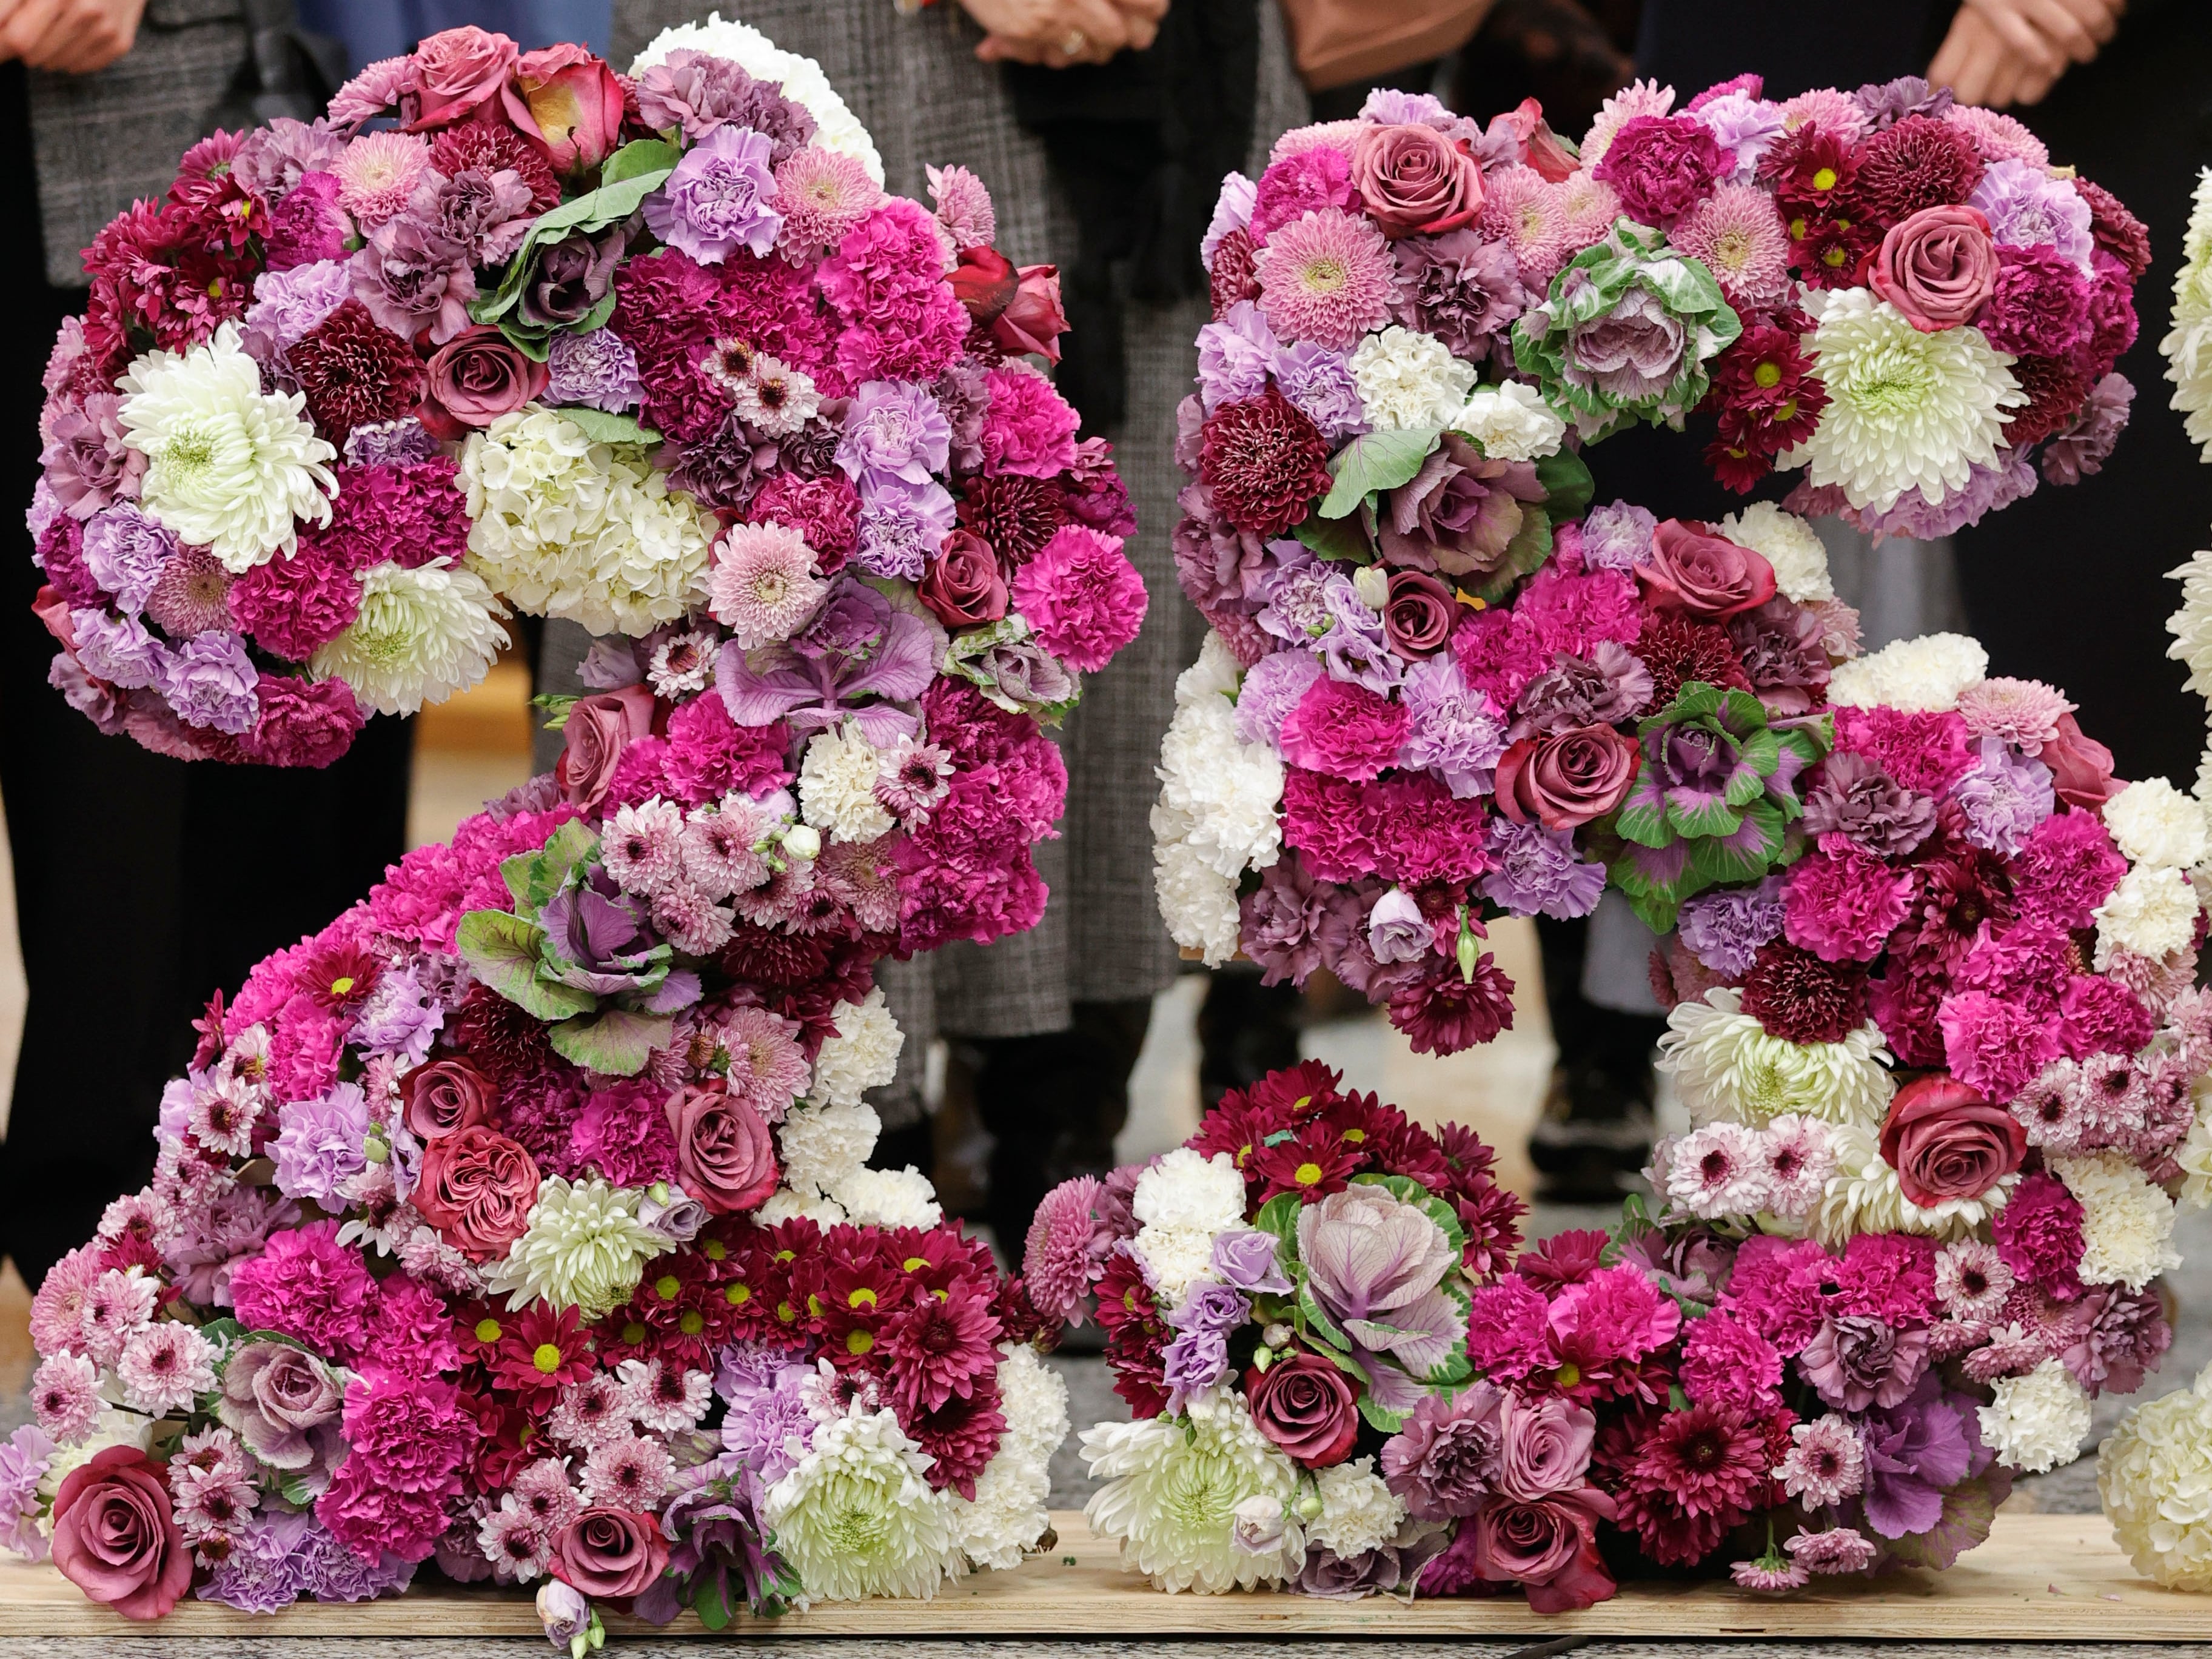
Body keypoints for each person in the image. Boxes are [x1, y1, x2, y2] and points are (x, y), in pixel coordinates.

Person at [593, 0, 1306, 1254]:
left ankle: (1061, 1118)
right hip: (824, 34)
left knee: (1077, 524)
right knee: (790, 489)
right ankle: (822, 1133)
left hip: (1119, 74)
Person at [0, 0, 409, 1288]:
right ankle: (104, 1211)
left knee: (300, 683)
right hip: (61, 154)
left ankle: (286, 1178)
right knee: (103, 712)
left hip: (301, 138)